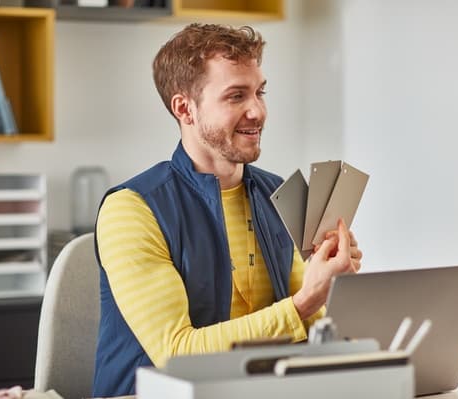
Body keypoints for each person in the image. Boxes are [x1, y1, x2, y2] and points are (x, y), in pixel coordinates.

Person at [92, 23, 363, 397]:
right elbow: (176, 354)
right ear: (184, 108)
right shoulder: (131, 210)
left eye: (259, 92)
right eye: (236, 96)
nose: (257, 111)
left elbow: (316, 334)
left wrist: (335, 283)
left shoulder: (280, 194)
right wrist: (303, 303)